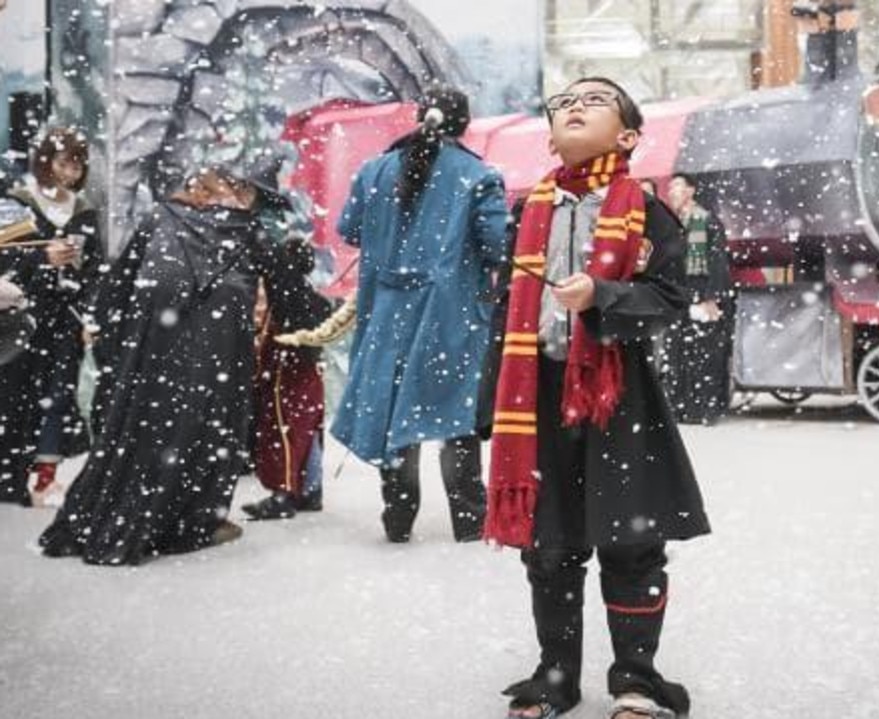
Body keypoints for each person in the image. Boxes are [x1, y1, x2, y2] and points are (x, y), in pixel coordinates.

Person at [485, 77, 709, 719]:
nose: (575, 107)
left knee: (630, 540)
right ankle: (555, 677)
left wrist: (604, 299)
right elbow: (507, 310)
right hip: (539, 399)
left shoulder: (644, 208)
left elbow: (669, 300)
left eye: (596, 101)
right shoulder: (529, 212)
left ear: (630, 136)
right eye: (564, 104)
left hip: (619, 397)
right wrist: (489, 403)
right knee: (548, 544)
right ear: (551, 136)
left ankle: (636, 678)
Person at [38, 165, 278, 564]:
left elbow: (114, 292)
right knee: (207, 430)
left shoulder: (161, 219)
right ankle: (190, 520)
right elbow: (286, 295)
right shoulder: (247, 232)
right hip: (215, 356)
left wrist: (115, 354)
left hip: (151, 355)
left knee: (142, 428)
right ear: (235, 192)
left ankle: (111, 516)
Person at [331, 85, 507, 544]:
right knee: (455, 415)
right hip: (451, 317)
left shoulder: (374, 171)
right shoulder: (478, 176)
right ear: (464, 124)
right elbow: (498, 246)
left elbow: (348, 228)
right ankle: (469, 520)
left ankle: (398, 517)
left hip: (386, 316)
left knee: (395, 415)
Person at [0, 128, 101, 507]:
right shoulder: (17, 203)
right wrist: (42, 261)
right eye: (63, 162)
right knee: (14, 394)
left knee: (58, 396)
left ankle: (45, 478)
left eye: (77, 164)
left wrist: (89, 311)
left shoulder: (84, 208)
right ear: (45, 161)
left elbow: (94, 266)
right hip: (21, 315)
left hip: (66, 316)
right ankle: (10, 476)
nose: (69, 172)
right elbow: (6, 260)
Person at [243, 234, 332, 520]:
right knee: (308, 435)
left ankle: (284, 493)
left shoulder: (288, 298)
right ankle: (309, 490)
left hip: (287, 378)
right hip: (308, 378)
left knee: (284, 434)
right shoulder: (314, 300)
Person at [660, 172, 733, 424]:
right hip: (678, 298)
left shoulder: (706, 221)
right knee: (677, 353)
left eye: (677, 187)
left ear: (690, 191)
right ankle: (680, 408)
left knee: (704, 355)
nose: (671, 192)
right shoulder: (674, 223)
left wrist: (711, 297)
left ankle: (704, 409)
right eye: (669, 188)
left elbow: (718, 262)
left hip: (701, 296)